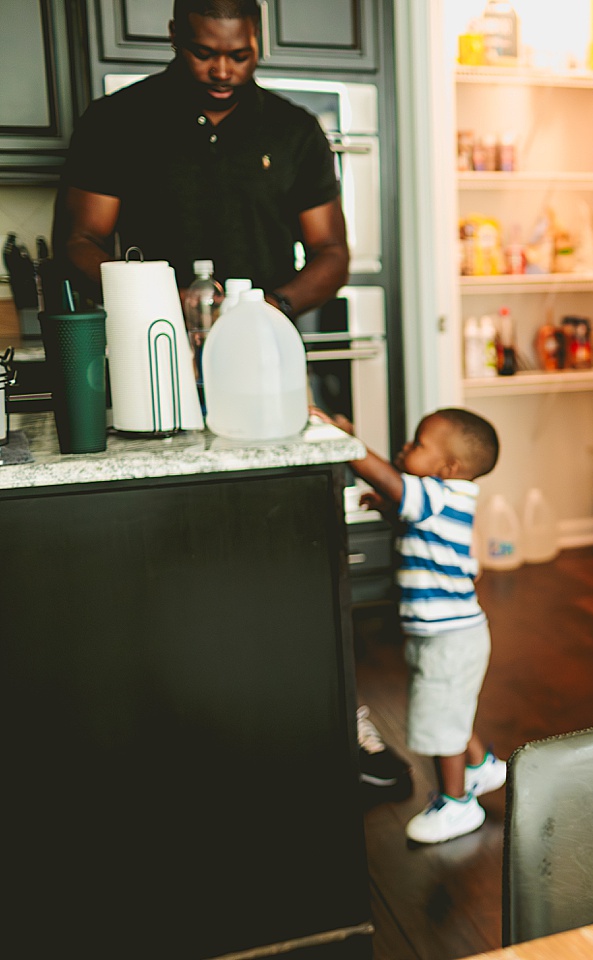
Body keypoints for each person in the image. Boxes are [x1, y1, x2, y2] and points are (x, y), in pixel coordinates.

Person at [55, 0, 348, 319]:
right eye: (203, 53)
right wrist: (158, 299)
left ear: (257, 39)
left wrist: (272, 307)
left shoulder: (295, 131)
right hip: (153, 337)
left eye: (240, 56)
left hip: (264, 341)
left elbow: (331, 252)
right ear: (174, 35)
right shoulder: (114, 121)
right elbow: (80, 242)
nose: (222, 71)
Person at [315, 405, 509, 844]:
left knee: (441, 717)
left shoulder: (440, 494)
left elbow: (390, 481)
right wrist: (387, 509)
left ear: (448, 467)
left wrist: (347, 443)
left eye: (419, 444)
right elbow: (408, 515)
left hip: (450, 637)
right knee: (449, 705)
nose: (407, 447)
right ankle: (479, 769)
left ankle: (457, 804)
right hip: (444, 634)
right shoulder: (441, 498)